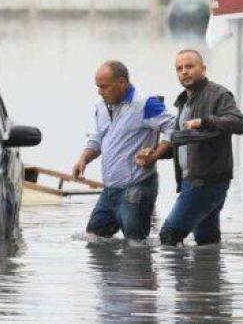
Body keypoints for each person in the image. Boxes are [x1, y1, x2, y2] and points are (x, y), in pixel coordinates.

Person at [138, 49, 243, 246]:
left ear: (203, 69)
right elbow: (186, 142)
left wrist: (204, 121)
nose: (184, 72)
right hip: (194, 179)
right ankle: (206, 276)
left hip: (206, 181)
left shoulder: (218, 94)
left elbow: (240, 123)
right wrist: (155, 154)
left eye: (189, 66)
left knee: (169, 235)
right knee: (207, 241)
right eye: (179, 68)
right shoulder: (184, 102)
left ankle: (180, 277)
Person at [73, 60, 174, 242]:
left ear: (121, 83)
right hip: (110, 189)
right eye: (98, 87)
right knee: (93, 238)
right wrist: (83, 160)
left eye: (104, 87)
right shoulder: (101, 106)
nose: (99, 92)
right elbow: (98, 137)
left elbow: (172, 128)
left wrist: (155, 155)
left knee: (136, 245)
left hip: (137, 186)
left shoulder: (145, 103)